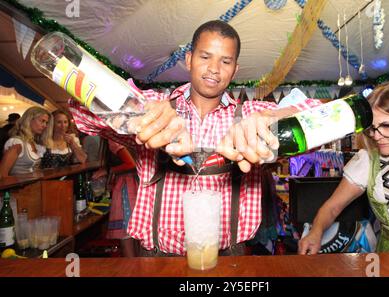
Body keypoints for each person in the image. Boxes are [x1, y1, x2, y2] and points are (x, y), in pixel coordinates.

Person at [69, 20, 321, 256]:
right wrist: (139, 113)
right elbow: (82, 113)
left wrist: (277, 116)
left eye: (225, 61)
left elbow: (321, 116)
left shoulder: (250, 115)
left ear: (235, 70)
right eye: (205, 57)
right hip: (158, 259)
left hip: (228, 258)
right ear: (189, 60)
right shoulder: (154, 107)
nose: (214, 69)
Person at [298, 80, 389, 254]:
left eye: (386, 126)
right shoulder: (368, 160)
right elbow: (333, 207)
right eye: (372, 127)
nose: (377, 136)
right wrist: (316, 232)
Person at [92, 139, 138, 257]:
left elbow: (130, 163)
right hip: (134, 185)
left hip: (126, 188)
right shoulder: (122, 136)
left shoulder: (113, 141)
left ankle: (132, 271)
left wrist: (107, 171)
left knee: (126, 236)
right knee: (135, 239)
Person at [0, 107, 52, 178]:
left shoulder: (33, 143)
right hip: (18, 188)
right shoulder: (17, 143)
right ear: (29, 119)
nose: (45, 125)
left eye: (46, 122)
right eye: (42, 121)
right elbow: (2, 175)